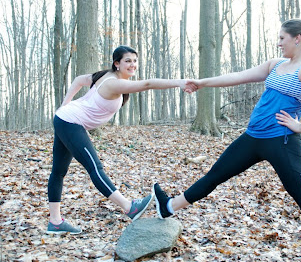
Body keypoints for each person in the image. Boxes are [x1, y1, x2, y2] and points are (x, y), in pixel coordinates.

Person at [153, 19, 301, 262]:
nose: (278, 43)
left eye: (282, 38)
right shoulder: (277, 64)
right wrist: (202, 83)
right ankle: (168, 207)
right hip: (252, 137)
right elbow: (239, 76)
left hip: (281, 141)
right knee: (214, 175)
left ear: (297, 39)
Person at [47, 45, 196, 234]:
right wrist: (179, 82)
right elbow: (147, 84)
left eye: (135, 61)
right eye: (127, 61)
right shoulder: (114, 83)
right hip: (70, 121)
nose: (132, 65)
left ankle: (55, 222)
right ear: (117, 64)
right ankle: (128, 207)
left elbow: (78, 80)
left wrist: (64, 105)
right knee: (94, 167)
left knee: (58, 172)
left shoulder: (105, 76)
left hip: (65, 118)